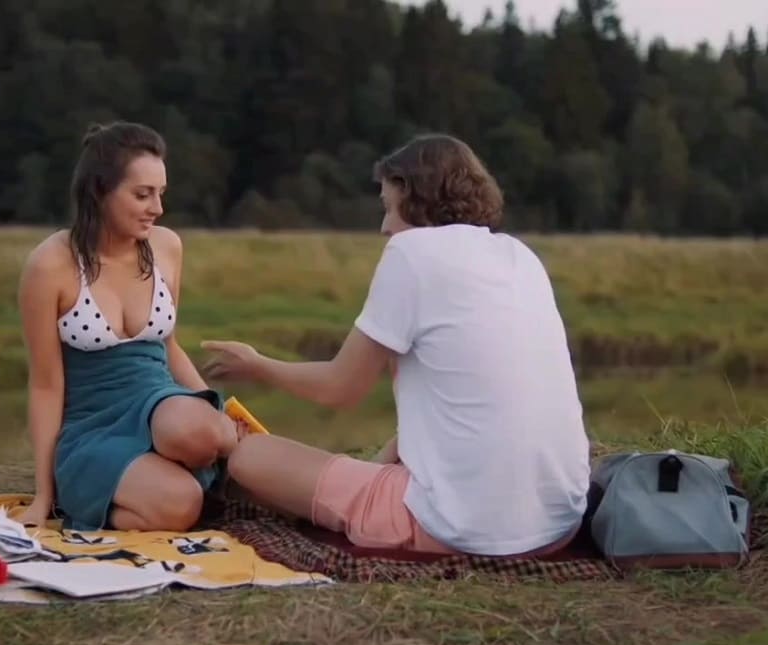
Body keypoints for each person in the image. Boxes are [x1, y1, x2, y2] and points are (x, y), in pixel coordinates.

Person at [202, 134, 591, 557]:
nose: (385, 226)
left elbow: (339, 389)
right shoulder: (520, 256)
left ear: (417, 199)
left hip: (462, 529)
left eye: (389, 207)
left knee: (249, 458)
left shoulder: (411, 251)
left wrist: (258, 365)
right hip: (560, 523)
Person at [16, 121, 239, 532]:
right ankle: (89, 491)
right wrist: (43, 495)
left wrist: (222, 414)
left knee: (208, 434)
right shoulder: (49, 265)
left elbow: (169, 346)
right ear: (99, 191)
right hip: (92, 425)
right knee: (183, 505)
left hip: (159, 400)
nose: (158, 208)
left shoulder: (166, 246)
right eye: (142, 194)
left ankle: (166, 468)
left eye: (161, 193)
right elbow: (45, 385)